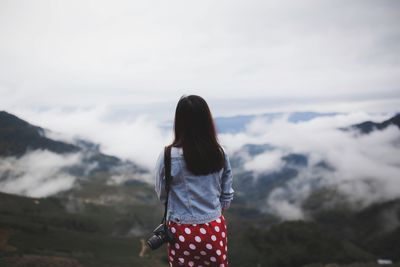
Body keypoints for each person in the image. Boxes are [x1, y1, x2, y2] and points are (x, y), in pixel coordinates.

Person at [154, 95, 234, 267]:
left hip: (181, 230)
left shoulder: (168, 155)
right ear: (207, 120)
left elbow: (162, 193)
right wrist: (214, 210)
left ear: (179, 122)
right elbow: (226, 194)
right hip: (214, 227)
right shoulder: (219, 152)